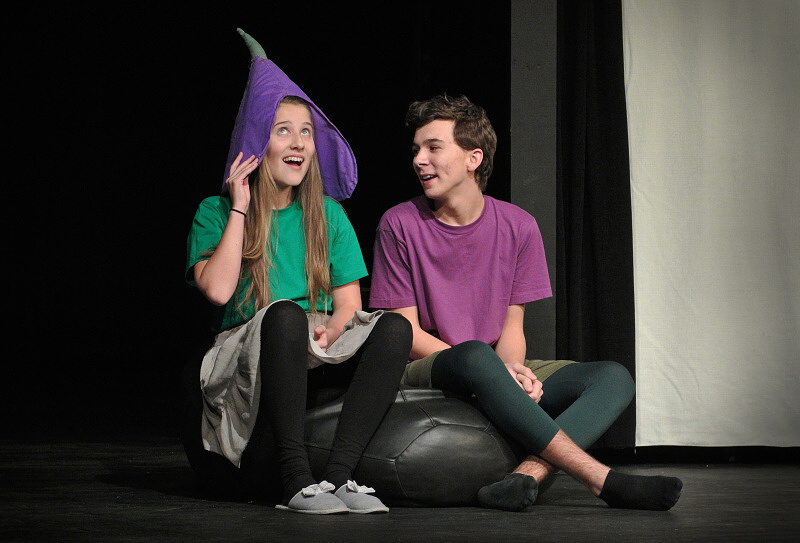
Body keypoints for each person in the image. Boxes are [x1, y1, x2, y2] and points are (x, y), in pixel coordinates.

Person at [369, 94, 682, 511]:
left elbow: (512, 327)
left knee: (613, 377)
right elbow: (406, 333)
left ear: (473, 158)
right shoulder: (399, 224)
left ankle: (527, 475)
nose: (419, 160)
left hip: (491, 364)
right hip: (431, 367)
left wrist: (511, 371)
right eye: (416, 150)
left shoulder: (519, 226)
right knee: (475, 355)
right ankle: (600, 479)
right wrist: (490, 369)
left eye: (433, 147)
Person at [183, 29, 411, 514]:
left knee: (393, 327)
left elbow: (349, 304)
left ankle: (340, 478)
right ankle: (294, 481)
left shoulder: (328, 215)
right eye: (282, 130)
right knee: (284, 314)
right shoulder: (215, 212)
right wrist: (240, 207)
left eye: (305, 131)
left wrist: (332, 329)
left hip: (315, 343)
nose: (299, 143)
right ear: (256, 143)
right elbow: (218, 291)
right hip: (249, 346)